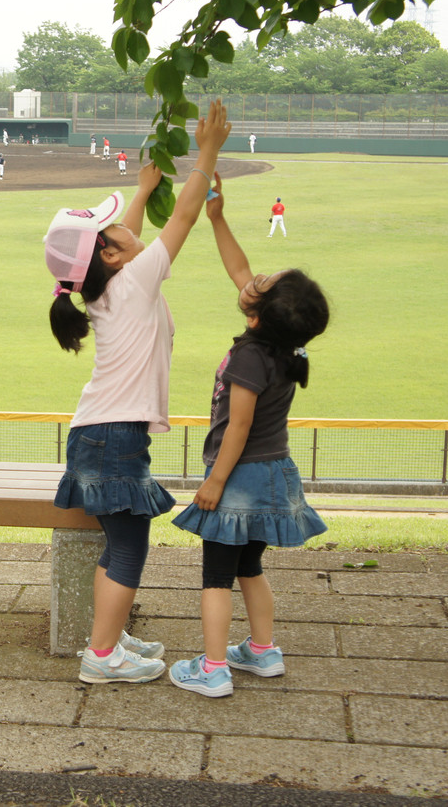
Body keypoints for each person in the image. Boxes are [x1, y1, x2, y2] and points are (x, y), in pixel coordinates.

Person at [46, 99, 231, 685]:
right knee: (129, 549)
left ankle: (110, 638)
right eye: (117, 229)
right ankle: (101, 657)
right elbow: (183, 218)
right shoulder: (133, 281)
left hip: (97, 433)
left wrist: (140, 189)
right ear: (109, 254)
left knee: (117, 545)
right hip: (114, 437)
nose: (131, 225)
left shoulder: (104, 287)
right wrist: (207, 152)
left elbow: (123, 242)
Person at [167, 172, 329, 698]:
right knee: (251, 567)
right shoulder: (283, 345)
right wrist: (217, 218)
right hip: (275, 475)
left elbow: (238, 427)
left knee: (216, 577)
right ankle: (262, 651)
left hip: (238, 478)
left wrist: (214, 481)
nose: (253, 277)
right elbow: (240, 272)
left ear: (256, 314)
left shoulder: (249, 357)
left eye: (262, 281)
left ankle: (212, 669)